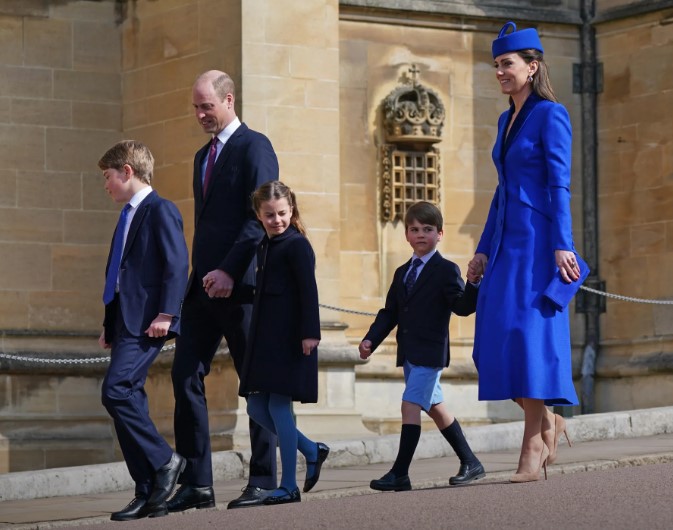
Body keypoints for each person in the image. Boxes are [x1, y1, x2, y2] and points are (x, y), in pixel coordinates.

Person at [467, 21, 580, 483]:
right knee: (492, 343)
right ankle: (551, 419)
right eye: (496, 65)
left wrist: (562, 245)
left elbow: (559, 185)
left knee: (528, 341)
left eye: (507, 64)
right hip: (505, 245)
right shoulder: (504, 119)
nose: (500, 72)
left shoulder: (550, 115)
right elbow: (501, 191)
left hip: (538, 244)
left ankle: (532, 446)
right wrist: (481, 250)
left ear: (532, 67)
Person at [168, 70, 280, 512]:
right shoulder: (201, 157)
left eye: (206, 106)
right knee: (183, 375)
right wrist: (202, 276)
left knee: (255, 383)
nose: (199, 114)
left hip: (244, 285)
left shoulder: (256, 146)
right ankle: (198, 484)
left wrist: (231, 270)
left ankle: (265, 480)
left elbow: (261, 216)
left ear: (228, 100)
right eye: (195, 107)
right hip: (203, 289)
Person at [359, 201, 484, 492]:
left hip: (430, 353)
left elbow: (462, 307)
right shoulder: (402, 272)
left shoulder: (445, 269)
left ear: (440, 234)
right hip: (409, 353)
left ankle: (400, 473)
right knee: (436, 407)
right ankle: (471, 462)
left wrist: (473, 283)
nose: (420, 235)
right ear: (406, 235)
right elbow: (389, 312)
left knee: (409, 405)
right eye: (414, 229)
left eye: (428, 229)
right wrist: (370, 340)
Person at [98, 140, 189, 521]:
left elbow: (176, 264)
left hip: (149, 322)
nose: (106, 185)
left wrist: (167, 313)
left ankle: (166, 460)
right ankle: (148, 489)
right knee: (128, 397)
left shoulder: (160, 209)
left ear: (127, 171)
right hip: (125, 322)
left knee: (114, 390)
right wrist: (109, 324)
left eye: (108, 177)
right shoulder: (126, 215)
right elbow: (119, 273)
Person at [238, 180, 329, 505]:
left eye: (282, 213)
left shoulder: (297, 245)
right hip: (266, 339)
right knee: (255, 406)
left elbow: (308, 291)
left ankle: (288, 484)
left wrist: (310, 333)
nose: (276, 220)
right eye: (269, 215)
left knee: (278, 406)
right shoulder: (265, 245)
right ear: (259, 215)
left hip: (292, 339)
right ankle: (310, 449)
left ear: (291, 210)